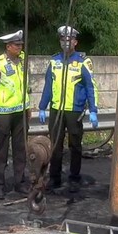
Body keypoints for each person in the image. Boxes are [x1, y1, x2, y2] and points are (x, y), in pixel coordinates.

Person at [38, 25, 99, 193]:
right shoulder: (54, 61)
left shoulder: (82, 63)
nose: (66, 43)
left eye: (69, 40)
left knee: (75, 145)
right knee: (56, 146)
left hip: (75, 110)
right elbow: (48, 86)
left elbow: (90, 87)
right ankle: (54, 178)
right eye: (62, 40)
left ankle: (74, 177)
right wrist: (42, 107)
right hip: (57, 110)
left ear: (75, 42)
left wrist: (93, 110)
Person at [0, 30, 32, 200]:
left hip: (20, 112)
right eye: (17, 45)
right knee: (2, 151)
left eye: (21, 45)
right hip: (4, 113)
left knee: (20, 149)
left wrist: (28, 107)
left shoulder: (23, 61)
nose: (20, 47)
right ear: (8, 46)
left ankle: (20, 182)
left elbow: (26, 85)